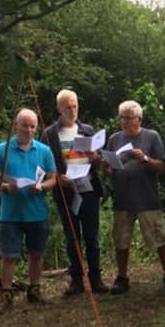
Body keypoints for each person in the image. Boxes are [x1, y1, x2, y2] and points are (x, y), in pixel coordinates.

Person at [103, 99, 165, 295]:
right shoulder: (114, 139)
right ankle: (122, 277)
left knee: (160, 237)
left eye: (128, 118)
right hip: (122, 197)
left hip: (147, 197)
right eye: (122, 118)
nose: (124, 122)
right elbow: (108, 170)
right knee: (121, 239)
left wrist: (144, 158)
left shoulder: (152, 137)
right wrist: (109, 165)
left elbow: (162, 166)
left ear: (139, 119)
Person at [0, 108, 57, 313]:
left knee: (37, 253)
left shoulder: (44, 150)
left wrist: (42, 187)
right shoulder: (1, 150)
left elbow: (53, 178)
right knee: (9, 255)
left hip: (37, 211)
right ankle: (6, 295)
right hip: (11, 213)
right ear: (16, 125)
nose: (29, 130)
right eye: (25, 125)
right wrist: (7, 187)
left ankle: (34, 290)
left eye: (33, 126)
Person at [41, 89, 108, 296]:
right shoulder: (49, 134)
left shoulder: (87, 130)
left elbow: (98, 162)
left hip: (88, 189)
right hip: (65, 191)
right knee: (72, 236)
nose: (72, 110)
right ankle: (76, 279)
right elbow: (44, 164)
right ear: (59, 108)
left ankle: (96, 277)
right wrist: (57, 177)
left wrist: (94, 156)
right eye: (68, 106)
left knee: (92, 236)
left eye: (75, 106)